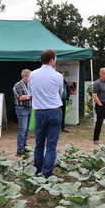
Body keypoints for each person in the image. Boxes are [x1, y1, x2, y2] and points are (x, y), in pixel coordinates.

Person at [28, 49, 63, 178]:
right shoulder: (58, 76)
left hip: (39, 112)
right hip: (54, 111)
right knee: (51, 146)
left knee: (39, 144)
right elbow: (60, 93)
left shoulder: (32, 75)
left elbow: (30, 94)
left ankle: (37, 170)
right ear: (52, 60)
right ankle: (47, 173)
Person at [13, 69, 32, 156]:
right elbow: (19, 97)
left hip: (29, 108)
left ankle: (24, 146)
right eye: (30, 76)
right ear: (24, 76)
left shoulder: (29, 85)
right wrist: (30, 96)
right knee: (22, 129)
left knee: (27, 130)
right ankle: (19, 149)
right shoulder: (18, 85)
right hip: (21, 109)